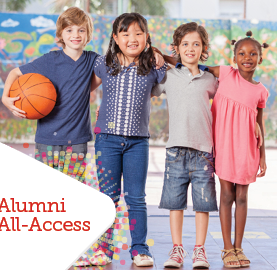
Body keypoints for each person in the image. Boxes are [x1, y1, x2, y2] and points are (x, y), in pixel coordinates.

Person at [91, 12, 167, 267]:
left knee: (136, 198)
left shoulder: (153, 67)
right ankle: (103, 248)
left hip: (137, 143)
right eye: (125, 34)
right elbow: (84, 86)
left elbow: (181, 64)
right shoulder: (104, 62)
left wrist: (158, 52)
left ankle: (139, 248)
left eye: (138, 33)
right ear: (115, 37)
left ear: (146, 36)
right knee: (108, 197)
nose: (132, 39)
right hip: (107, 141)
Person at [151, 22, 218, 269]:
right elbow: (148, 91)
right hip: (176, 150)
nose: (191, 48)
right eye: (185, 44)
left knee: (203, 204)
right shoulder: (169, 76)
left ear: (204, 48)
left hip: (203, 152)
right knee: (174, 202)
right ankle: (177, 249)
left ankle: (199, 250)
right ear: (177, 48)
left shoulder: (210, 79)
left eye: (196, 44)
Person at [2, 6, 97, 170]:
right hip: (47, 138)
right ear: (60, 35)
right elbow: (14, 73)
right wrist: (5, 98)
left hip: (77, 140)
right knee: (46, 190)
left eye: (81, 30)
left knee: (73, 190)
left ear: (88, 34)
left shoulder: (93, 60)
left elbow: (110, 72)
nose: (75, 35)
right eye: (69, 30)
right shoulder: (49, 60)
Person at [207, 30, 269, 268]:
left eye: (253, 54)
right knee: (226, 195)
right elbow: (196, 65)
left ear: (260, 59)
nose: (247, 57)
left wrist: (263, 155)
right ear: (234, 57)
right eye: (242, 53)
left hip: (247, 149)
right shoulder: (225, 73)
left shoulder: (261, 91)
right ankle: (226, 248)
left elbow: (260, 123)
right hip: (224, 145)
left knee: (242, 196)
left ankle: (238, 246)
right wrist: (167, 59)